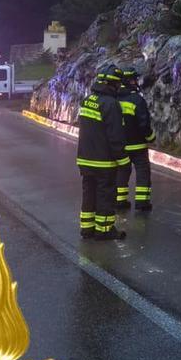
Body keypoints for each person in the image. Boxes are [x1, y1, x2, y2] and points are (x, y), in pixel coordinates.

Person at [76, 65, 127, 240]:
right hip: (103, 161)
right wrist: (123, 159)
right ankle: (104, 230)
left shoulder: (87, 100)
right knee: (105, 195)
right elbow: (115, 136)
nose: (119, 87)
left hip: (85, 159)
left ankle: (87, 228)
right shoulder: (111, 104)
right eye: (118, 84)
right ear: (112, 84)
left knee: (89, 193)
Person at [114, 65, 156, 212]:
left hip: (120, 146)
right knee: (143, 173)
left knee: (122, 172)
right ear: (129, 81)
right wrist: (151, 137)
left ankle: (120, 201)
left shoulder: (113, 99)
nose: (136, 82)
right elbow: (144, 124)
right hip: (138, 146)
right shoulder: (137, 100)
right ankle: (142, 202)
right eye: (134, 79)